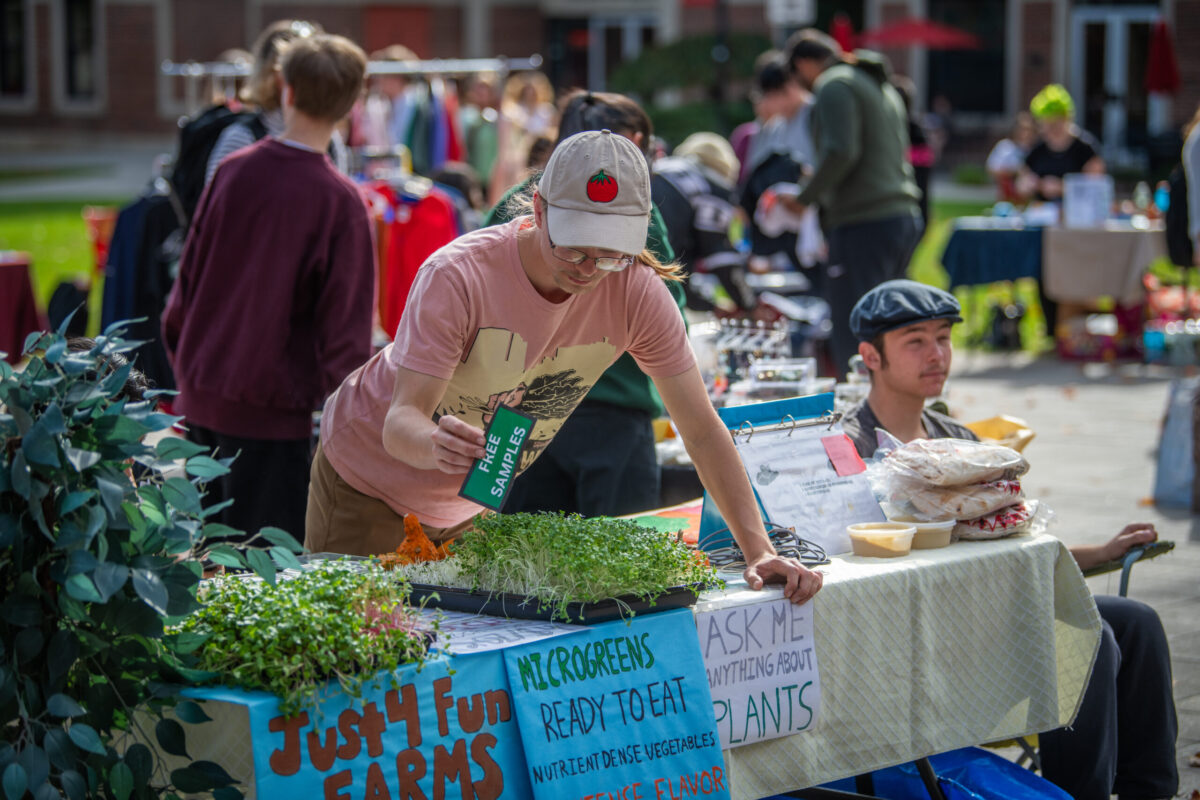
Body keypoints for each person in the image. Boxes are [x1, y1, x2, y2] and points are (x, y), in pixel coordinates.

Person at [305, 129, 823, 605]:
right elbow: (401, 424)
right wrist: (434, 442)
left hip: (467, 509)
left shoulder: (638, 292)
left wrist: (758, 550)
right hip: (366, 484)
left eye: (611, 254)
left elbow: (703, 431)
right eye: (572, 247)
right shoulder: (458, 275)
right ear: (538, 208)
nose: (588, 270)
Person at [841, 279, 1179, 800]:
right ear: (871, 357)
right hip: (917, 633)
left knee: (1137, 622)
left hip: (986, 608)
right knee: (1089, 639)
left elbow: (1015, 543)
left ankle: (1149, 792)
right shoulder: (850, 450)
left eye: (944, 338)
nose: (937, 354)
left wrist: (1101, 553)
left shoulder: (961, 442)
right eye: (915, 341)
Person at [163, 33, 376, 544]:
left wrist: (189, 367)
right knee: (264, 580)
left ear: (284, 88)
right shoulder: (341, 202)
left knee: (207, 564)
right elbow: (345, 337)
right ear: (353, 104)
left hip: (203, 395)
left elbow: (185, 286)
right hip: (273, 419)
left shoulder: (233, 171)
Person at [484, 90, 686, 519]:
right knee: (619, 570)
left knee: (515, 569)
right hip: (609, 411)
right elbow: (671, 308)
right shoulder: (630, 210)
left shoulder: (514, 203)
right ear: (632, 140)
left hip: (512, 416)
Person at [781, 29, 923, 379]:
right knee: (889, 323)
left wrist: (804, 198)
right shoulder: (875, 83)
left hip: (864, 221)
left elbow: (842, 151)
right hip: (900, 214)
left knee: (854, 325)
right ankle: (894, 407)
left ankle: (859, 419)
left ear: (803, 65)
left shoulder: (834, 84)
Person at [204, 19, 349, 185]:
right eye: (300, 71)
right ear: (274, 76)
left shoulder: (330, 140)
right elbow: (218, 205)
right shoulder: (242, 138)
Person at [652, 131, 756, 314]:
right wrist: (748, 305)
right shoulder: (713, 186)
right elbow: (721, 257)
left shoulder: (663, 168)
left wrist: (709, 305)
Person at [1017, 84, 1105, 204]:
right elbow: (1021, 183)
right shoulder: (1037, 150)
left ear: (1067, 119)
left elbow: (1098, 188)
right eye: (1046, 124)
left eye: (1056, 124)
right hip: (1043, 213)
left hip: (1077, 214)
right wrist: (1027, 185)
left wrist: (1062, 188)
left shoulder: (1085, 148)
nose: (1051, 130)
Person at [986, 111, 1037, 203]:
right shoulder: (1005, 147)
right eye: (1022, 129)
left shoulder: (1037, 150)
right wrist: (1015, 171)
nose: (1025, 133)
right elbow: (992, 168)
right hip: (1008, 195)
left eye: (1028, 129)